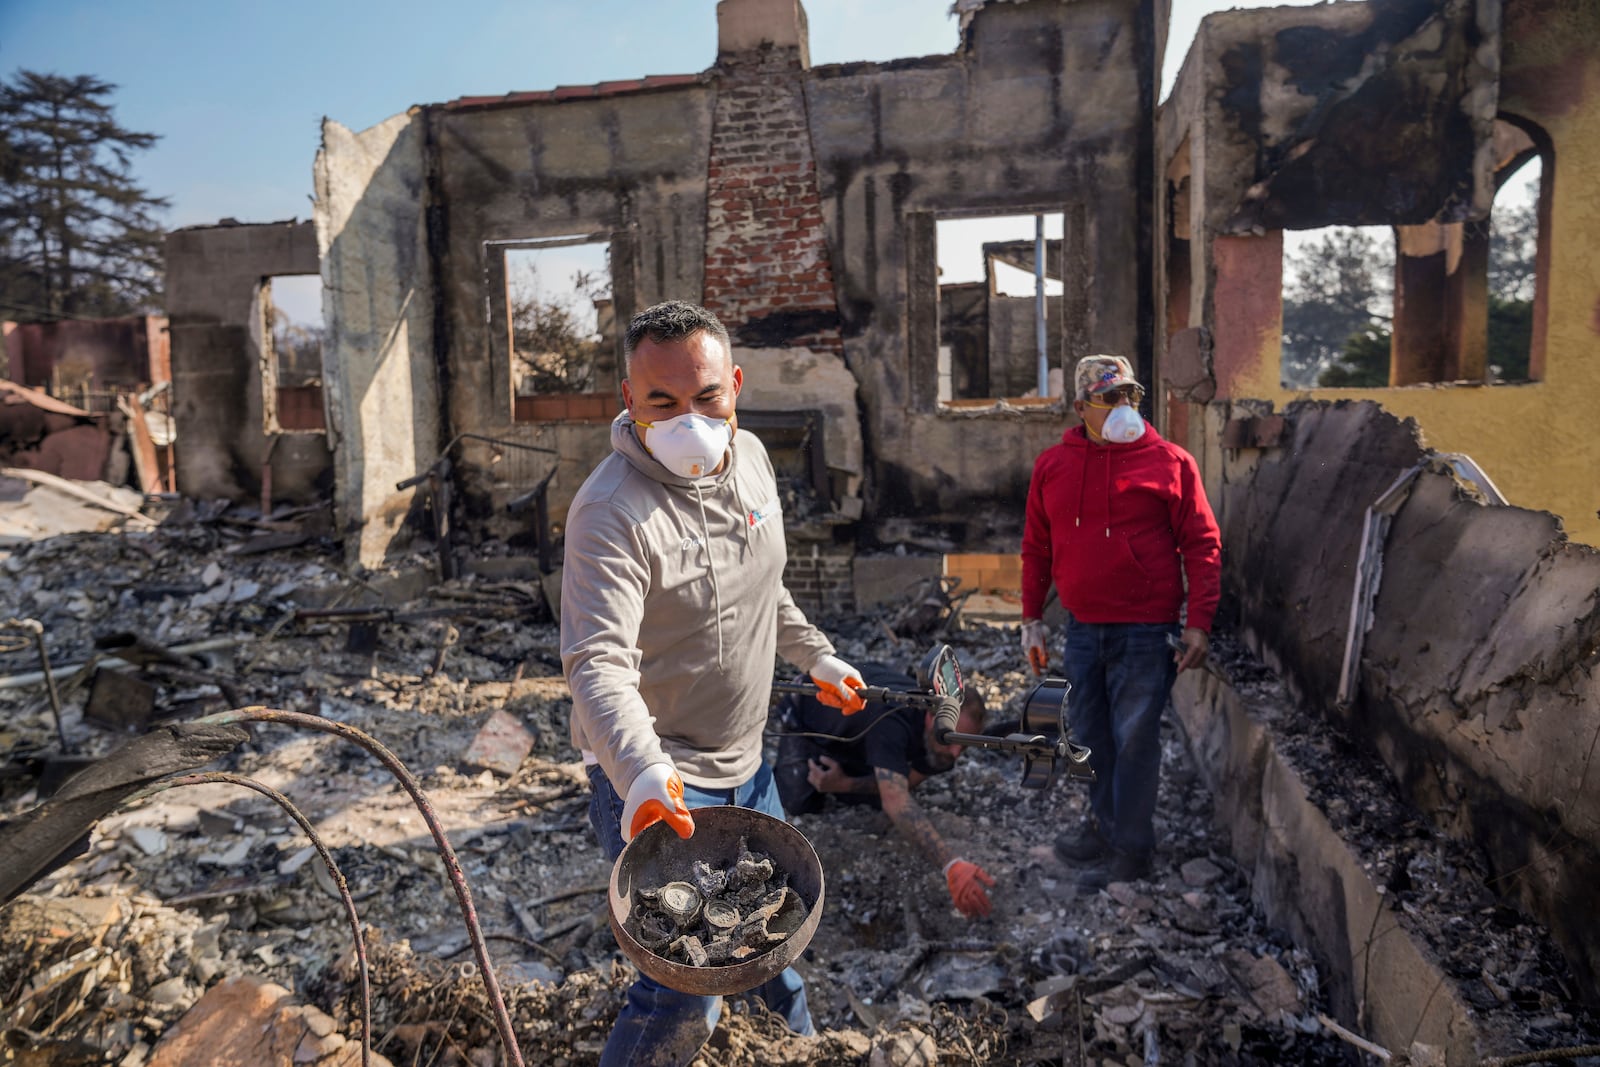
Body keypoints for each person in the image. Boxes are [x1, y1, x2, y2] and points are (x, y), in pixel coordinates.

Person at [561, 300, 868, 1067]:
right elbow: (597, 662)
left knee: (771, 944)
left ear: (734, 386)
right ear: (629, 400)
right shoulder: (610, 512)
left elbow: (764, 584)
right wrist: (640, 772)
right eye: (662, 402)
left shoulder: (755, 460)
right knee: (686, 986)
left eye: (706, 397)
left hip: (748, 765)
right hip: (663, 782)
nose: (687, 419)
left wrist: (815, 656)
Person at [1019, 354, 1221, 890]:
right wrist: (1031, 619)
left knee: (1135, 739)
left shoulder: (1172, 462)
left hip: (1145, 631)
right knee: (1090, 736)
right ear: (1081, 406)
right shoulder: (1052, 466)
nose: (1124, 407)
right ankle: (1102, 827)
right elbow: (1036, 548)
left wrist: (1198, 622)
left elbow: (1202, 545)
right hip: (1083, 628)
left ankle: (1131, 848)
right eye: (1110, 398)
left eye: (1130, 395)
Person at [772, 662, 997, 919]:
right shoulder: (893, 720)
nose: (956, 753)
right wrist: (951, 864)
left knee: (870, 793)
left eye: (963, 744)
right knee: (799, 802)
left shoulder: (942, 743)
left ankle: (850, 769)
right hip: (806, 711)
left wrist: (844, 784)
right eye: (950, 740)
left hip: (864, 731)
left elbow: (907, 783)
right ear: (930, 718)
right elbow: (896, 801)